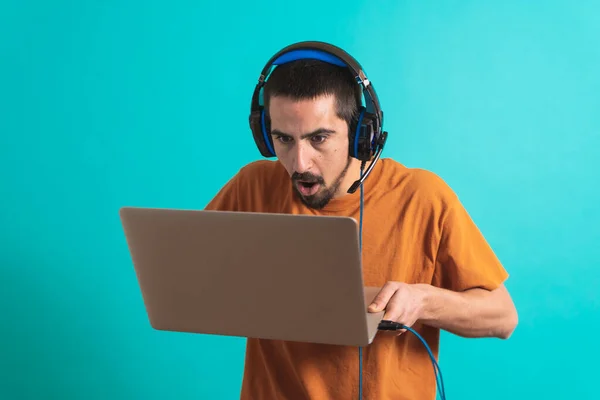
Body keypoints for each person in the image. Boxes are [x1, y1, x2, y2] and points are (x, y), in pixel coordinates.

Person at [204, 41, 518, 400]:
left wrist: (424, 301)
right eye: (283, 139)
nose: (300, 163)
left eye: (319, 138)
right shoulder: (252, 186)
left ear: (360, 135)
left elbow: (503, 317)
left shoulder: (422, 196)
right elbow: (194, 279)